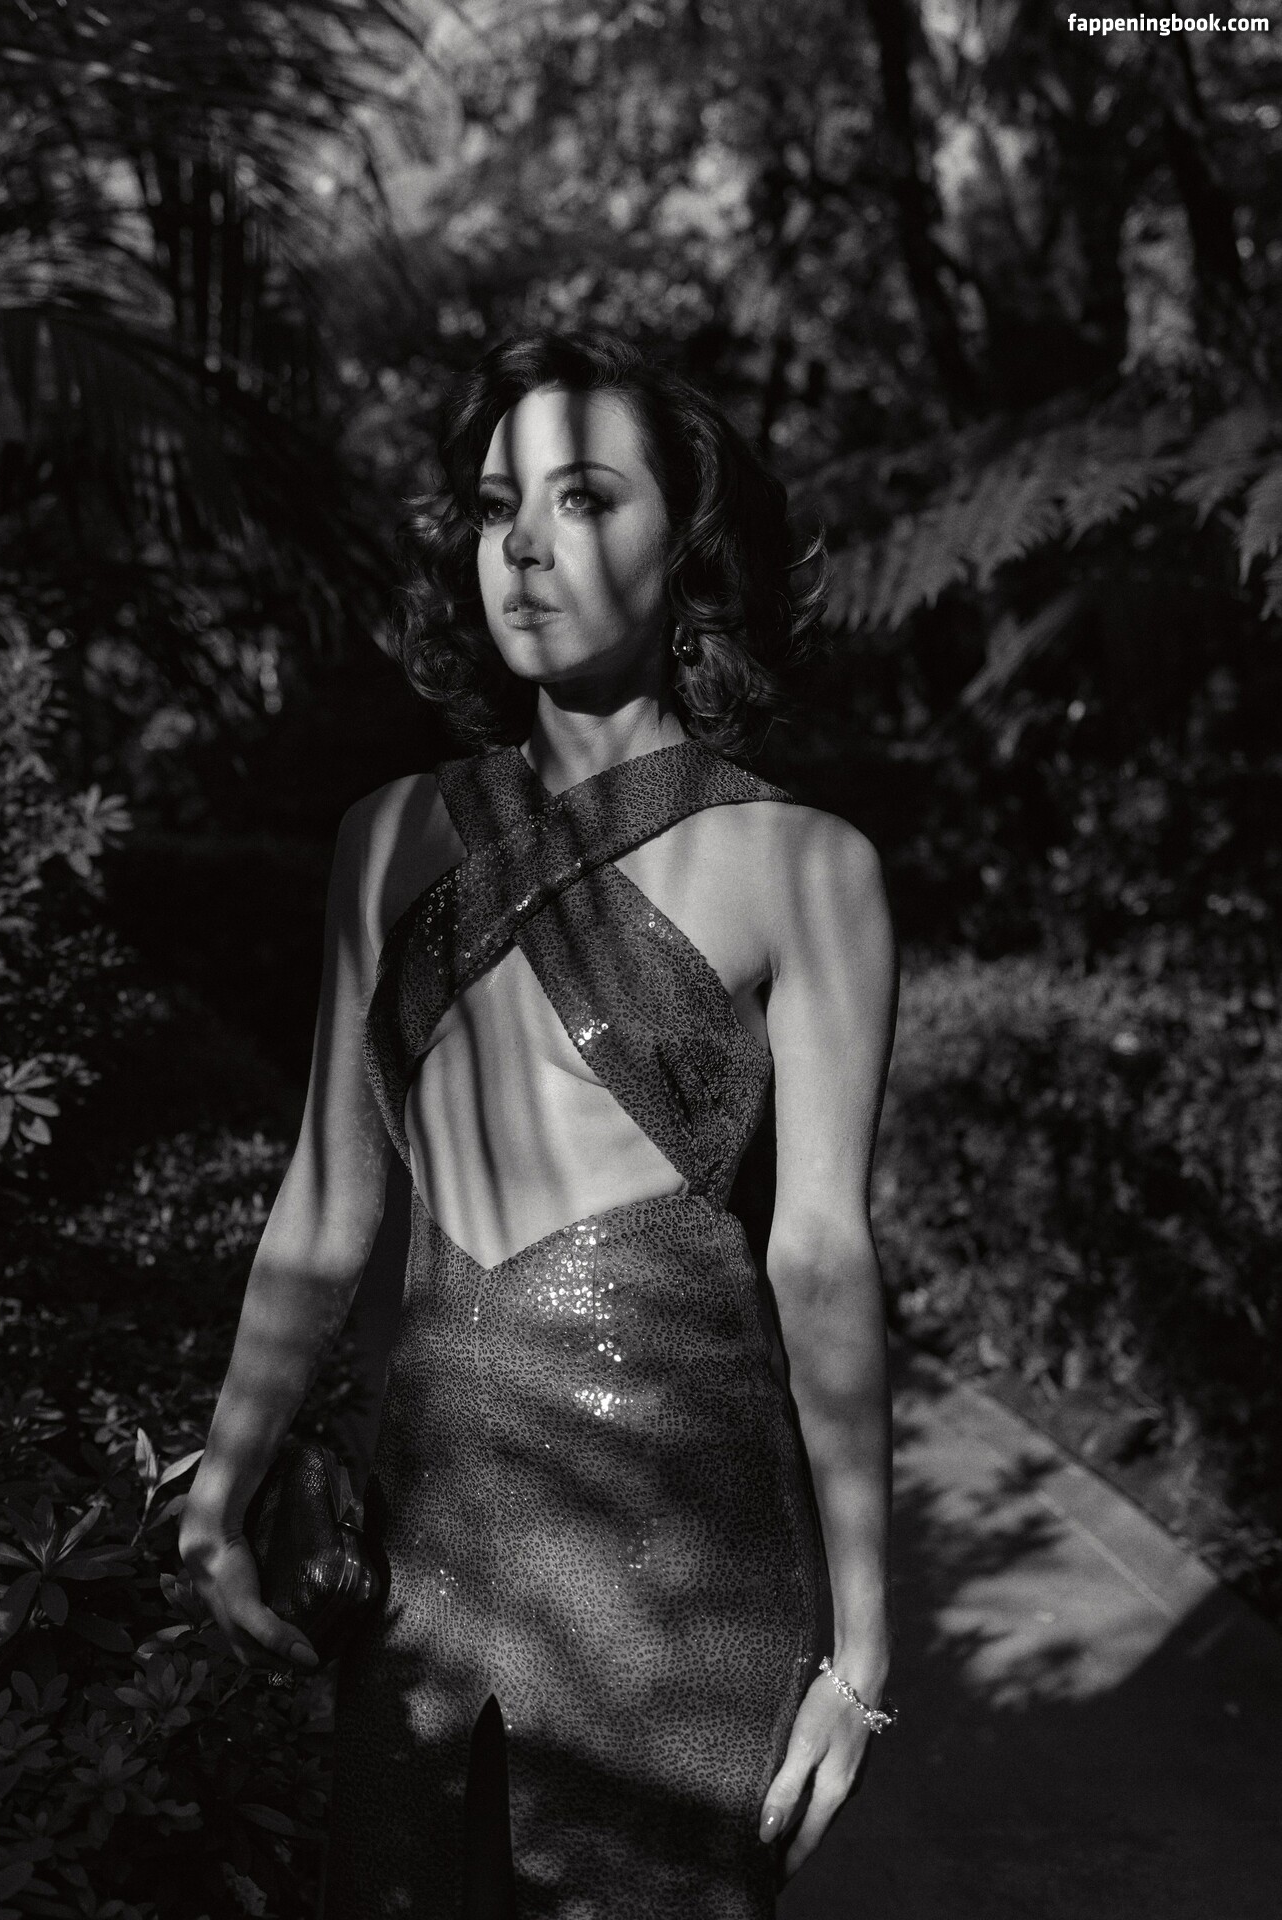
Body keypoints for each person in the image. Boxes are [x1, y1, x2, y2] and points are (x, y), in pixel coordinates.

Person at [179, 331, 897, 1918]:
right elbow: (326, 1201)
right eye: (501, 504)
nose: (523, 544)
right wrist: (225, 1483)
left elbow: (823, 1255)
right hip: (428, 1551)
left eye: (584, 498)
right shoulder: (384, 839)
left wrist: (862, 1649)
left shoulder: (809, 867)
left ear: (686, 549)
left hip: (690, 1565)